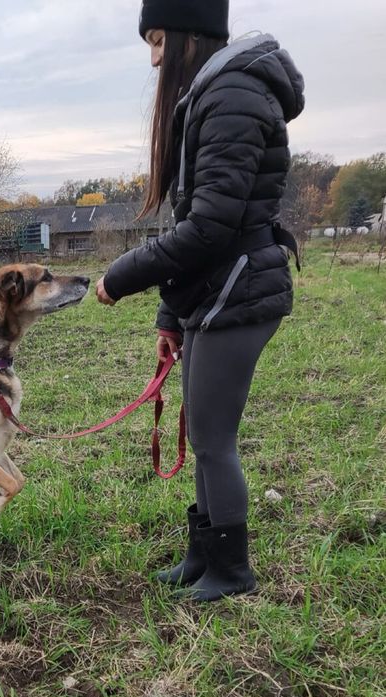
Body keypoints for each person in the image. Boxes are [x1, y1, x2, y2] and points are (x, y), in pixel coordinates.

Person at [96, 0, 304, 602]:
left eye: (159, 41)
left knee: (214, 440)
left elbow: (210, 227)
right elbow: (197, 219)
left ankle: (232, 571)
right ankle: (203, 555)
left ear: (192, 32)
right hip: (215, 293)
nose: (155, 58)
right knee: (206, 436)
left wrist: (122, 274)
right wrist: (170, 316)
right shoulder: (216, 93)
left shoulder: (233, 94)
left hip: (238, 292)